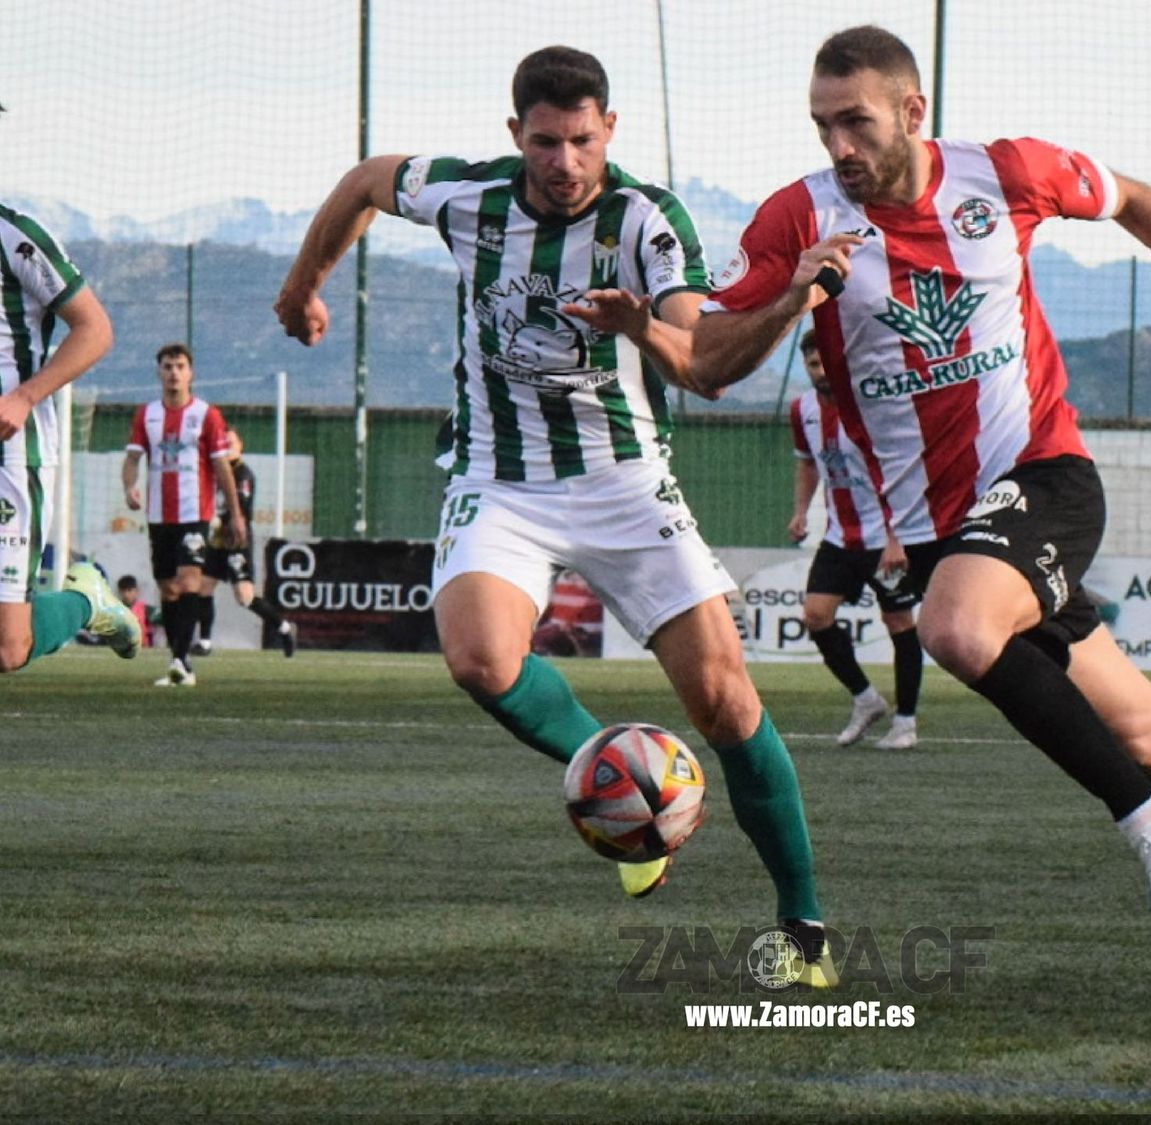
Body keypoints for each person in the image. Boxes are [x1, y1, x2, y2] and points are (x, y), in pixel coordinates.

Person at [687, 26, 1151, 970]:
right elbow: (706, 364)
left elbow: (1133, 199)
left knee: (954, 630)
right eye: (822, 127)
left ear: (912, 110)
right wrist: (791, 301)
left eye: (855, 122)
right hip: (948, 532)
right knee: (1144, 732)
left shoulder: (1006, 173)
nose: (839, 147)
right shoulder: (797, 219)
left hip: (1044, 475)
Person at [274, 46, 835, 985]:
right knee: (480, 659)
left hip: (622, 478)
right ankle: (619, 771)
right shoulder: (467, 197)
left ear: (608, 130)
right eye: (545, 141)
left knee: (727, 701)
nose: (565, 161)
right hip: (500, 477)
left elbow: (698, 356)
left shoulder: (647, 220)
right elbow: (365, 182)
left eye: (582, 140)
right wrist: (304, 285)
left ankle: (805, 928)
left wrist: (638, 327)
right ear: (515, 136)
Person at [0, 184, 141, 672]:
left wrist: (23, 396)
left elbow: (95, 328)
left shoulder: (16, 237)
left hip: (14, 452)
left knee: (8, 647)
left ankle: (89, 601)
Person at [788, 328, 921, 749]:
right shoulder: (802, 409)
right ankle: (866, 699)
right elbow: (809, 464)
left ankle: (906, 722)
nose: (819, 369)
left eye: (825, 360)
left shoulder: (870, 406)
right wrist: (799, 512)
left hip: (884, 537)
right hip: (839, 538)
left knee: (899, 622)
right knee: (816, 615)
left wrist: (899, 538)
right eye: (812, 363)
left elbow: (899, 471)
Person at [121, 343, 247, 687]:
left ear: (190, 373)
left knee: (189, 580)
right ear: (158, 372)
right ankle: (179, 662)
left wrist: (236, 514)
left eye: (179, 366)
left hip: (196, 513)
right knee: (169, 589)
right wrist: (130, 487)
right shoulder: (146, 416)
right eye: (167, 366)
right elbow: (132, 459)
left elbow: (222, 467)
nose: (173, 372)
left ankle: (180, 659)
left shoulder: (206, 415)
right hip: (160, 515)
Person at [192, 427, 297, 657]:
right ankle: (205, 642)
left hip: (236, 542)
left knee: (245, 597)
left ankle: (284, 628)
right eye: (223, 443)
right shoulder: (215, 472)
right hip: (217, 543)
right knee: (203, 588)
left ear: (241, 446)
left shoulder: (243, 475)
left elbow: (240, 508)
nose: (227, 446)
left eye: (231, 442)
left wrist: (219, 520)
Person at [116, 574, 157, 649]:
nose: (126, 594)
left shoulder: (146, 609)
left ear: (136, 591)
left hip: (144, 649)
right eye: (123, 591)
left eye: (129, 590)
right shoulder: (115, 609)